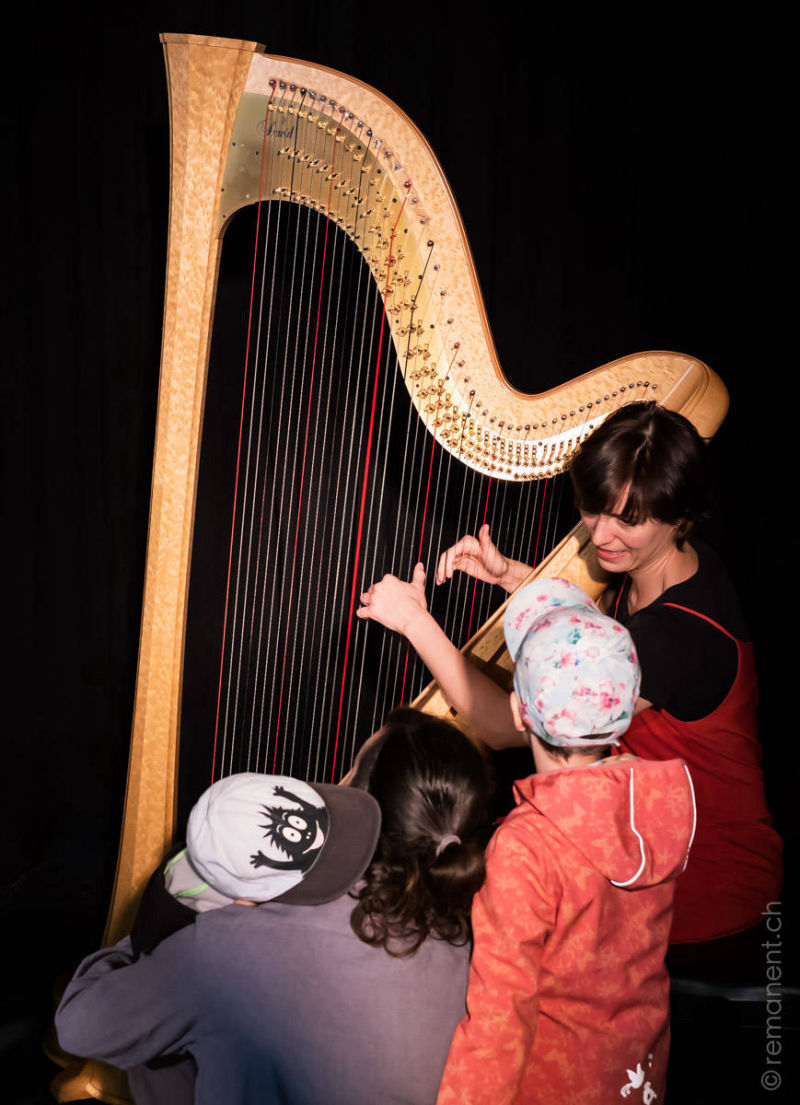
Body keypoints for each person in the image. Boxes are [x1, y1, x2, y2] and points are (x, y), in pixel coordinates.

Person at [359, 402, 781, 946]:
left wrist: (415, 622)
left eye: (627, 521)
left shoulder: (677, 640)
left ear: (679, 516)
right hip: (639, 830)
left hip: (703, 874)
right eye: (592, 509)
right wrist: (512, 577)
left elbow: (502, 727)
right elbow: (597, 628)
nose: (601, 536)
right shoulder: (675, 567)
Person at [56, 709, 491, 1105]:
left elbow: (79, 1025)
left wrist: (150, 938)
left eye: (351, 772)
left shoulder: (235, 943)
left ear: (364, 806)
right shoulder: (473, 941)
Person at [435, 577, 696, 1105]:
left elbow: (498, 1025)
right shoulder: (659, 799)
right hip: (636, 1076)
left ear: (518, 712)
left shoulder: (525, 847)